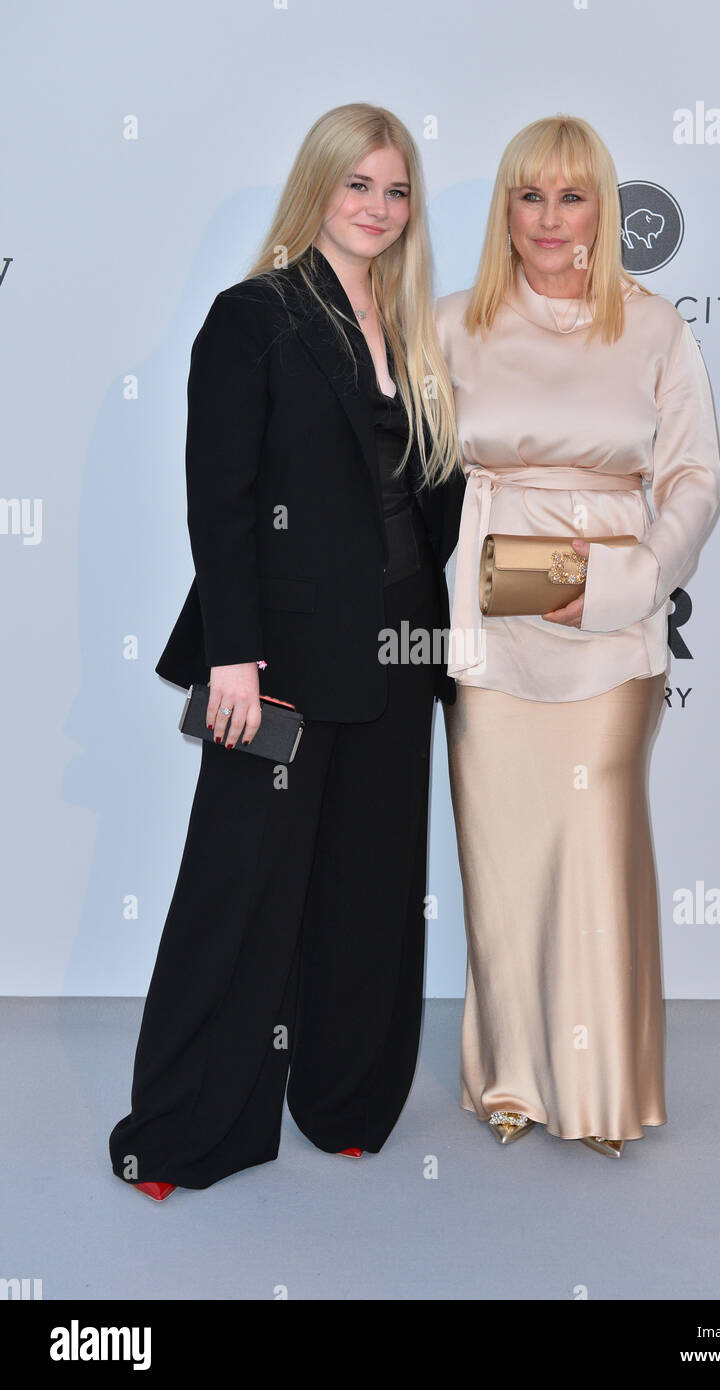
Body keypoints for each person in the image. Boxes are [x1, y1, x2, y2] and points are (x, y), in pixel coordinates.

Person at [109, 103, 464, 1197]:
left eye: (396, 190)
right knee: (242, 885)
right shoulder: (251, 316)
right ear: (317, 189)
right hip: (278, 666)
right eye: (358, 184)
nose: (377, 207)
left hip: (400, 654)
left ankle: (346, 1101)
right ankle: (183, 1132)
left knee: (371, 886)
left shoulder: (410, 331)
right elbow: (220, 503)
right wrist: (233, 657)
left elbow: (426, 500)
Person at [434, 114, 720, 1156]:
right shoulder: (451, 322)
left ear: (603, 207)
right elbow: (409, 473)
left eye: (572, 196)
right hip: (490, 619)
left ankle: (601, 1091)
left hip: (611, 627)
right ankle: (510, 1079)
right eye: (529, 195)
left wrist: (632, 577)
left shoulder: (652, 326)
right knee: (501, 853)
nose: (550, 219)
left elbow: (695, 476)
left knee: (596, 846)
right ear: (505, 208)